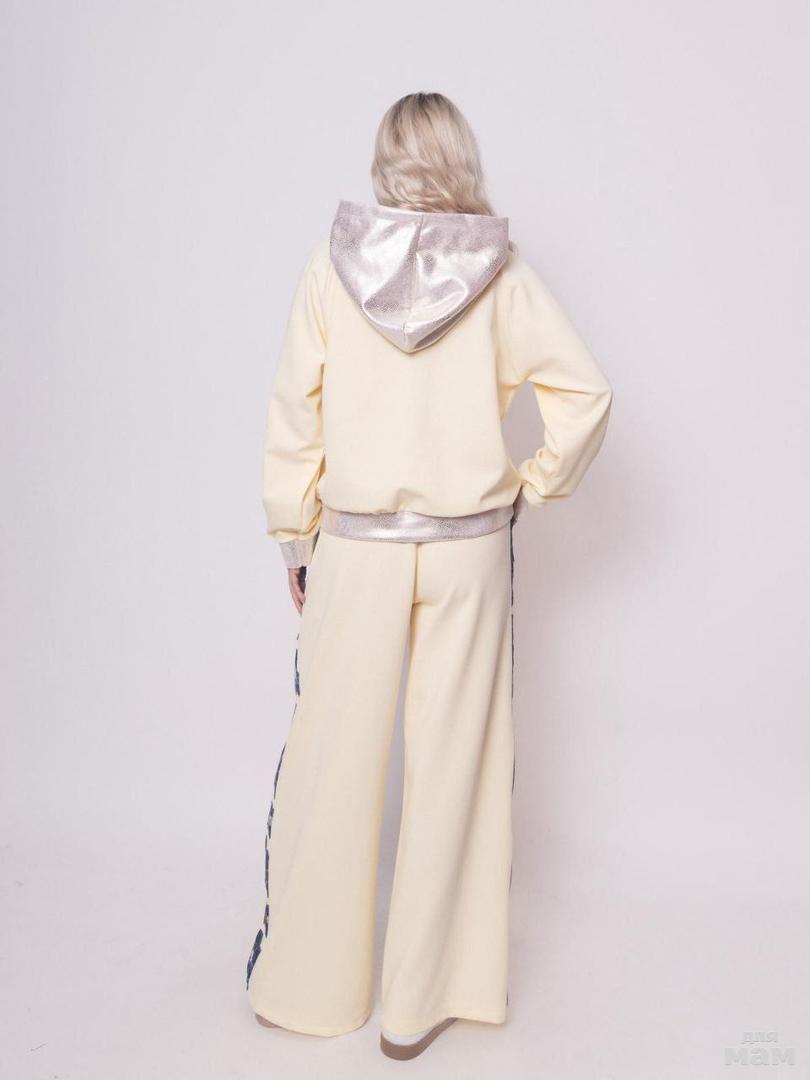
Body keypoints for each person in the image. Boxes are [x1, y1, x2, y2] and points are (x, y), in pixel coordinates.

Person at [245, 91, 613, 1060]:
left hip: (356, 545)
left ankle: (308, 989)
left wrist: (295, 537)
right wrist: (532, 483)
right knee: (456, 764)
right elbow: (586, 393)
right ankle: (423, 1000)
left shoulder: (330, 264)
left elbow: (294, 408)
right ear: (460, 156)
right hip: (466, 548)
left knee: (331, 756)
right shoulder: (502, 272)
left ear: (386, 160)